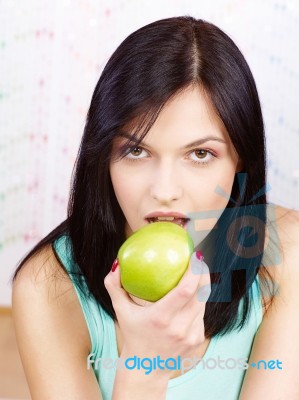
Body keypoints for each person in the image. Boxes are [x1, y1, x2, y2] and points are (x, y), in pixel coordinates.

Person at [11, 16, 299, 400]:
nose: (165, 191)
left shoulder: (285, 252)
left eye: (200, 153)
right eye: (135, 150)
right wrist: (145, 365)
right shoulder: (48, 286)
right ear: (104, 156)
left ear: (240, 160)